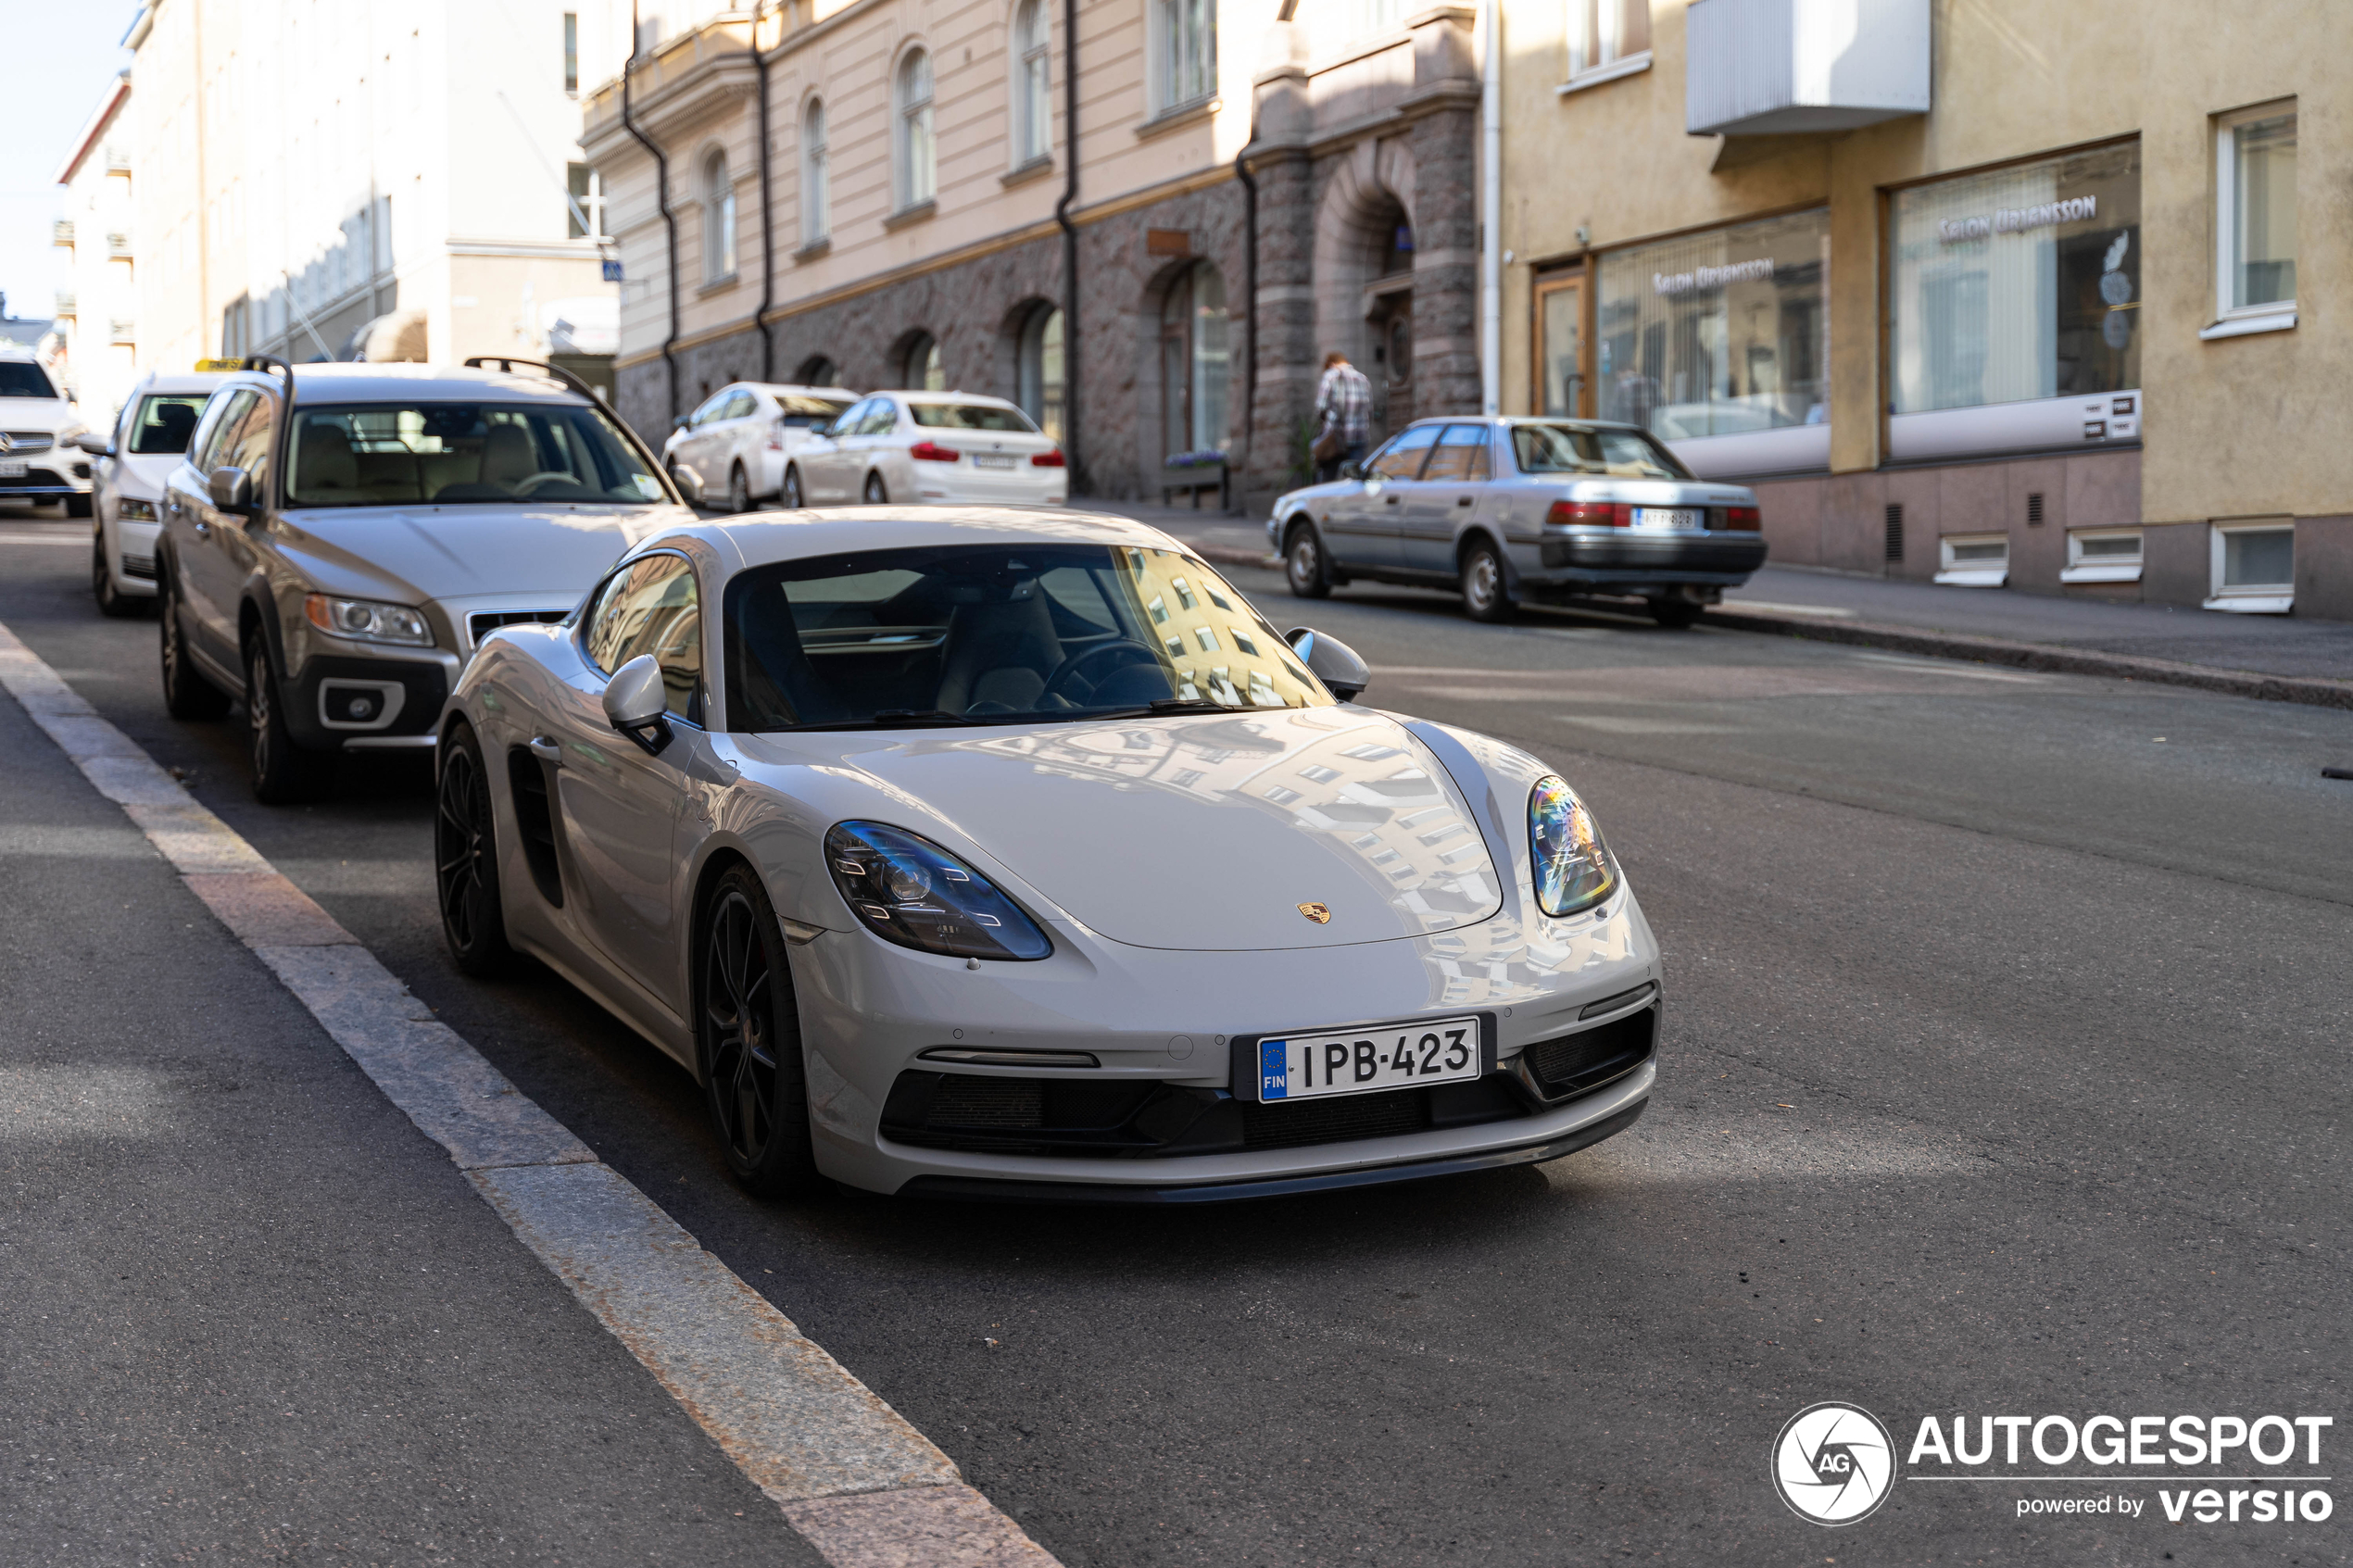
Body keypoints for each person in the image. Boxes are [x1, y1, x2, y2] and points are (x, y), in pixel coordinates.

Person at [1313, 350, 1371, 483]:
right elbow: (1369, 411)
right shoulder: (1363, 378)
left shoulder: (1330, 376)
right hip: (1359, 436)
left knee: (1328, 481)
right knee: (1354, 481)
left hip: (1335, 437)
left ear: (1332, 364)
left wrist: (1323, 426)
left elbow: (1321, 407)